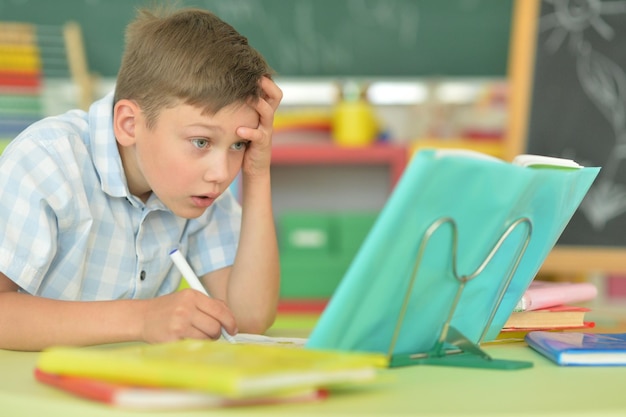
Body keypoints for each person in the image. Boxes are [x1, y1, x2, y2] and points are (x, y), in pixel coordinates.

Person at [0, 7, 282, 351]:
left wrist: (257, 172)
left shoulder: (199, 187)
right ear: (129, 124)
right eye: (201, 142)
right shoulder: (46, 160)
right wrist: (143, 318)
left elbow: (249, 317)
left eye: (238, 144)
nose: (221, 173)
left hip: (124, 394)